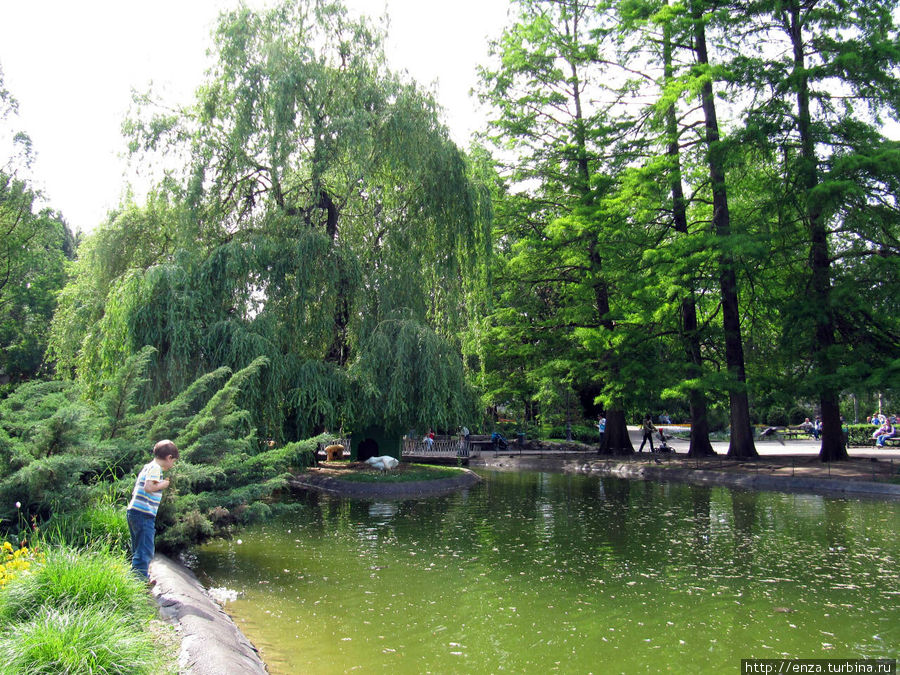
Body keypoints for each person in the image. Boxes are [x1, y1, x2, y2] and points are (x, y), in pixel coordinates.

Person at [127, 440, 178, 581]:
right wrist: (163, 484)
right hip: (143, 514)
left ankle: (139, 575)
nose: (172, 465)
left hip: (134, 512)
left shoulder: (148, 466)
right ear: (168, 458)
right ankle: (139, 582)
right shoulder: (156, 468)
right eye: (173, 461)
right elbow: (149, 487)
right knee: (145, 550)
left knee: (138, 547)